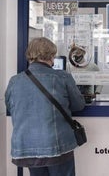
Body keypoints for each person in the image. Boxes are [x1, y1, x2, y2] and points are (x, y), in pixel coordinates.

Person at [5, 37, 86, 176]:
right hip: (57, 145)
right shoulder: (62, 77)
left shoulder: (14, 81)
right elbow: (79, 105)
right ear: (51, 56)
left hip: (28, 146)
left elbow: (10, 107)